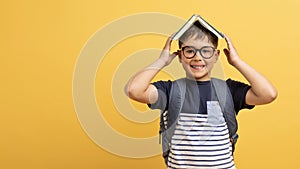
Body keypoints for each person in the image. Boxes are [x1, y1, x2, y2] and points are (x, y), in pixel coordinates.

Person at [125, 21, 277, 169]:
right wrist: (162, 61)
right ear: (180, 55)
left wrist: (237, 61)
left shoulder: (228, 90)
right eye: (190, 51)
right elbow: (134, 90)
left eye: (206, 51)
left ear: (216, 55)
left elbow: (268, 94)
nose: (197, 57)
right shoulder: (169, 90)